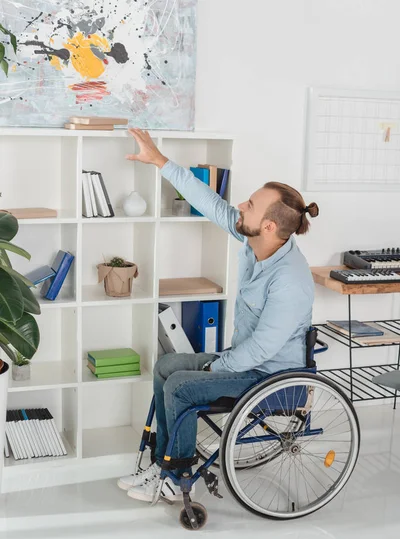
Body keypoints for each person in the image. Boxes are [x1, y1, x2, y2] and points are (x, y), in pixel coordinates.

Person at [118, 128, 319, 502]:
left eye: (251, 205)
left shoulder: (291, 281)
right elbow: (210, 202)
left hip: (270, 377)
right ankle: (164, 461)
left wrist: (214, 368)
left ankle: (175, 476)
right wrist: (161, 161)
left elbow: (261, 351)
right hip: (245, 363)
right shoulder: (255, 237)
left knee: (181, 384)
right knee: (167, 366)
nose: (241, 205)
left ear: (270, 226)